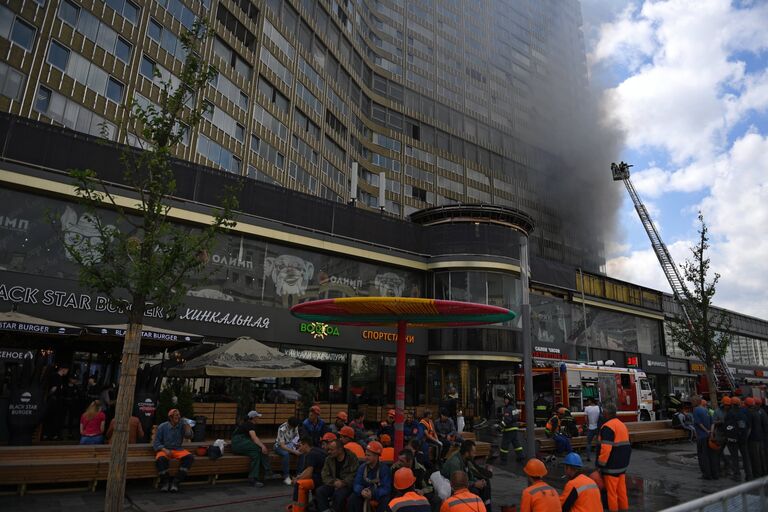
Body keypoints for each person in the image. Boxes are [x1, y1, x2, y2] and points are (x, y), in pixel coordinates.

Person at [597, 403, 631, 512]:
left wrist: (600, 465)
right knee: (621, 492)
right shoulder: (621, 425)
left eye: (603, 412)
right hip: (622, 466)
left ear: (606, 413)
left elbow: (606, 449)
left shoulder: (607, 427)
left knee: (611, 493)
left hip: (611, 467)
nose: (602, 414)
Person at [441, 440, 492, 508]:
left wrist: (477, 481)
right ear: (467, 453)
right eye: (473, 453)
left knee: (485, 483)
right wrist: (474, 484)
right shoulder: (455, 462)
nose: (475, 455)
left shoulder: (465, 459)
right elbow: (457, 484)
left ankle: (485, 507)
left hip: (462, 482)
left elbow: (470, 475)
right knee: (474, 490)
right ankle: (474, 507)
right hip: (450, 486)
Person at [153, 408, 194, 492]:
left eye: (179, 415)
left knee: (189, 457)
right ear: (170, 417)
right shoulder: (162, 426)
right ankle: (165, 482)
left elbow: (189, 436)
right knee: (160, 460)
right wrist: (165, 450)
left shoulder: (182, 425)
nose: (178, 417)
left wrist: (187, 428)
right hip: (165, 449)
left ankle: (176, 482)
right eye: (176, 415)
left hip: (178, 449)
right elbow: (156, 443)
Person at [348, 441, 393, 512]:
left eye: (368, 455)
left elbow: (386, 488)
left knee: (385, 500)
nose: (365, 457)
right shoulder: (362, 468)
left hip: (377, 495)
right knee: (352, 498)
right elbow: (357, 483)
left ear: (376, 456)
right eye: (365, 455)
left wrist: (373, 493)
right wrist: (361, 491)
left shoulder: (384, 469)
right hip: (364, 493)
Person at [317, 439, 360, 512]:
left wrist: (343, 482)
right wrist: (333, 482)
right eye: (328, 449)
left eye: (331, 450)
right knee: (320, 491)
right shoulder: (328, 459)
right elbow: (324, 475)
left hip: (347, 485)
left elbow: (355, 474)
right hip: (333, 483)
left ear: (340, 450)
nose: (329, 452)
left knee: (339, 495)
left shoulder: (351, 457)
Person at [232, 410, 270, 487]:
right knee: (260, 449)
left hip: (238, 445)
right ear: (253, 418)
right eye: (257, 417)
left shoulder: (246, 424)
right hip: (240, 443)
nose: (258, 419)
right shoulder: (250, 424)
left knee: (256, 455)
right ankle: (268, 472)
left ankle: (253, 479)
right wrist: (262, 446)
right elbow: (254, 438)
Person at [292, 436, 327, 512]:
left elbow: (308, 474)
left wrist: (297, 479)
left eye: (300, 446)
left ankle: (298, 509)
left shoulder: (311, 454)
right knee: (301, 479)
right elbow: (308, 469)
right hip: (324, 477)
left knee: (299, 484)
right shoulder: (316, 451)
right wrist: (299, 476)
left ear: (306, 445)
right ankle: (307, 505)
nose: (298, 448)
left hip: (321, 479)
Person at [726, 397, 752, 481]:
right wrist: (745, 436)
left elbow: (727, 426)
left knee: (734, 457)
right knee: (745, 457)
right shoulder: (744, 411)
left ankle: (737, 475)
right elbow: (748, 426)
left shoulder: (730, 413)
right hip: (743, 438)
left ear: (732, 404)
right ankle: (749, 475)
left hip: (733, 439)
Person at [43, 363, 69, 440]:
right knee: (52, 417)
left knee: (53, 418)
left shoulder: (58, 377)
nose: (67, 372)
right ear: (63, 369)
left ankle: (49, 434)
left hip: (55, 400)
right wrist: (50, 395)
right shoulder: (56, 377)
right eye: (67, 370)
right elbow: (53, 389)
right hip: (54, 400)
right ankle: (50, 434)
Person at [693, 397, 716, 480]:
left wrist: (706, 431)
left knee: (703, 456)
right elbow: (713, 423)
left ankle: (706, 474)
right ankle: (714, 473)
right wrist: (711, 432)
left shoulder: (696, 410)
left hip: (702, 436)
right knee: (710, 455)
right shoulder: (708, 411)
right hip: (708, 436)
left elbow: (698, 423)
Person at [276, 416, 302, 485]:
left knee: (302, 452)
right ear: (289, 423)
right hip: (279, 446)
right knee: (286, 454)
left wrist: (298, 445)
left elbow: (297, 438)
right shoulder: (282, 429)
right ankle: (286, 477)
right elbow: (282, 446)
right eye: (291, 427)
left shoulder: (295, 426)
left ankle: (299, 474)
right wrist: (294, 451)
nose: (293, 428)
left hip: (291, 444)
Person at [499, 393, 524, 465]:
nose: (505, 401)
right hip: (514, 429)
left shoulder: (508, 409)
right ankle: (521, 457)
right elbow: (515, 417)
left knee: (504, 445)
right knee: (516, 444)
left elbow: (507, 419)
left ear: (510, 400)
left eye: (506, 399)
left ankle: (503, 460)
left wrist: (500, 426)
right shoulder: (514, 408)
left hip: (509, 429)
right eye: (505, 399)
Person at [746, 397, 766, 477]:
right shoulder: (760, 412)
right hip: (760, 437)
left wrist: (745, 438)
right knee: (762, 456)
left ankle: (757, 473)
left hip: (753, 438)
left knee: (755, 457)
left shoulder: (751, 413)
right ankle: (764, 471)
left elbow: (749, 428)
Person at [583, 398, 601, 462]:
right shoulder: (599, 408)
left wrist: (588, 425)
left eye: (588, 401)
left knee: (588, 443)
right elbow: (600, 417)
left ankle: (588, 457)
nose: (587, 402)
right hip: (598, 428)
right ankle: (599, 456)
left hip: (590, 428)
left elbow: (586, 419)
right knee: (598, 443)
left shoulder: (587, 408)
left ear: (590, 401)